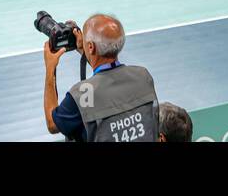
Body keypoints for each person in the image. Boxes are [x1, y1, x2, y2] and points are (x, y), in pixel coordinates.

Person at [44, 14, 159, 142]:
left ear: (91, 47)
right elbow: (109, 82)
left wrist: (50, 67)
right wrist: (84, 49)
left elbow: (52, 124)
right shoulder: (143, 76)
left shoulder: (83, 93)